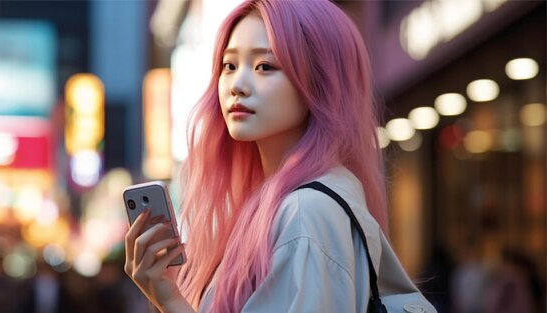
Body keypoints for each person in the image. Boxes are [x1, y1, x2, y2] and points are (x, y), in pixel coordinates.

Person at [125, 0, 433, 312]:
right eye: (229, 66)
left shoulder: (306, 210)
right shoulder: (280, 205)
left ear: (320, 81)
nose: (237, 86)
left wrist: (169, 298)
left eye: (265, 67)